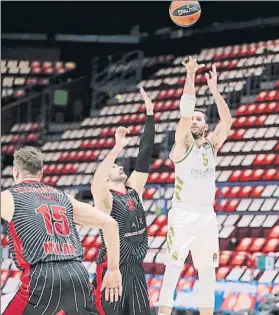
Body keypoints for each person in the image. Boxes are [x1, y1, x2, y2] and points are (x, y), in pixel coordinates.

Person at [1, 146, 122, 315]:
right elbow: (110, 223)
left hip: (41, 279)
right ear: (41, 172)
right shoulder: (63, 197)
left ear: (15, 171)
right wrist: (114, 270)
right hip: (77, 275)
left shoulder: (7, 197)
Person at [158, 57, 232, 315]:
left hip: (207, 215)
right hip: (183, 213)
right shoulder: (181, 146)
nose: (194, 122)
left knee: (208, 274)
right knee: (172, 271)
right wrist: (191, 75)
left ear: (205, 126)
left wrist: (215, 91)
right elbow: (185, 113)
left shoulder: (211, 146)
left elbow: (227, 122)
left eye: (199, 119)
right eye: (192, 120)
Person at [91, 87, 155, 315]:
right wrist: (116, 148)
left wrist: (150, 117)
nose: (120, 166)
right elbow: (97, 182)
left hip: (135, 269)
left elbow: (145, 155)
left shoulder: (133, 189)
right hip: (112, 268)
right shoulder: (105, 198)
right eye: (116, 166)